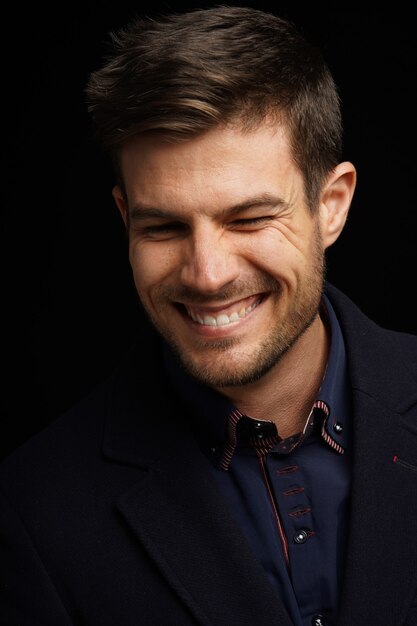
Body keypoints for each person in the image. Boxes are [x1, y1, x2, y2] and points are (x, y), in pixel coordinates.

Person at [1, 5, 416, 626]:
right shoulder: (34, 507)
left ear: (332, 206)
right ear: (125, 221)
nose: (208, 273)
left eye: (249, 218)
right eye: (164, 226)